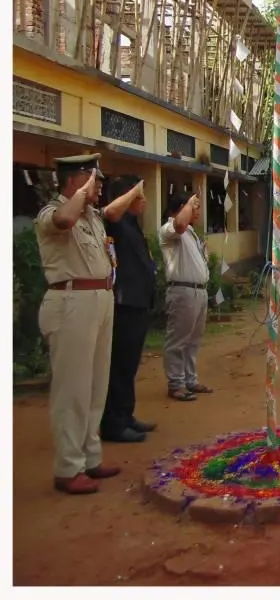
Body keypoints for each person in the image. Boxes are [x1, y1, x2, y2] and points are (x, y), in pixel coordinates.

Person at [35, 153, 140, 494]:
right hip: (71, 302)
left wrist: (96, 193)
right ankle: (68, 468)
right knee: (73, 390)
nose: (100, 184)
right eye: (93, 177)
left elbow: (112, 213)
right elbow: (64, 220)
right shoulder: (52, 212)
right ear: (74, 180)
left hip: (100, 299)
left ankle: (89, 458)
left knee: (96, 385)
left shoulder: (93, 215)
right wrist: (82, 193)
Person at [100, 175, 158, 444]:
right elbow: (111, 211)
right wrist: (133, 190)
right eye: (138, 195)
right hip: (124, 304)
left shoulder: (132, 224)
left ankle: (126, 414)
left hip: (138, 302)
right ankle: (114, 423)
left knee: (130, 365)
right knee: (119, 365)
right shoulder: (115, 220)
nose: (143, 200)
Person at [160, 191, 212, 402]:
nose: (197, 211)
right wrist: (188, 205)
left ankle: (190, 379)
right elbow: (179, 224)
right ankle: (176, 383)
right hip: (182, 290)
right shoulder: (169, 228)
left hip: (199, 291)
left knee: (193, 340)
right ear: (182, 208)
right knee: (178, 339)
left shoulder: (191, 232)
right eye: (193, 207)